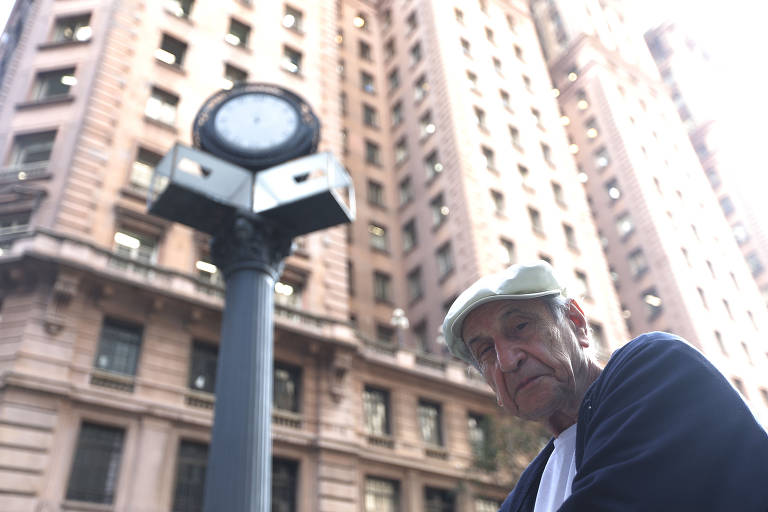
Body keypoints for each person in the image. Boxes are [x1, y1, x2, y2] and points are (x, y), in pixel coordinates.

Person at [442, 261, 768, 512]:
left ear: (577, 324)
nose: (507, 359)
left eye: (520, 326)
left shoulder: (655, 367)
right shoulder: (525, 491)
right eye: (485, 350)